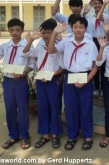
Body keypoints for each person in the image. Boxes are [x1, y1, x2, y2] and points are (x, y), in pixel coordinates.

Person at [47, 15, 98, 151]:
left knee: (86, 109)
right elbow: (51, 50)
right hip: (70, 77)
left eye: (81, 27)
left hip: (85, 78)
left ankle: (88, 136)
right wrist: (54, 34)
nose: (78, 30)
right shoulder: (66, 42)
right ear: (71, 28)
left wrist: (87, 80)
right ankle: (73, 135)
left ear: (85, 29)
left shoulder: (91, 44)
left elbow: (95, 66)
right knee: (70, 109)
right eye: (75, 27)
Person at [22, 19, 64, 149]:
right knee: (43, 107)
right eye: (44, 33)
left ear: (55, 33)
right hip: (41, 80)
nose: (46, 35)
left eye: (49, 33)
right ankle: (45, 134)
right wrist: (31, 40)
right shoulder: (40, 44)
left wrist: (53, 75)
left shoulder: (60, 45)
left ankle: (55, 134)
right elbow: (26, 52)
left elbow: (63, 67)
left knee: (54, 107)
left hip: (53, 80)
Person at [1, 18, 35, 150]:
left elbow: (32, 63)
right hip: (8, 82)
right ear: (8, 31)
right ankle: (13, 135)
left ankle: (25, 135)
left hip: (21, 81)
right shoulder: (5, 46)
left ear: (22, 31)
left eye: (17, 30)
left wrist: (24, 72)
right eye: (12, 30)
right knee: (10, 110)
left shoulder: (27, 45)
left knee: (23, 110)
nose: (15, 32)